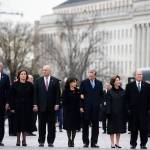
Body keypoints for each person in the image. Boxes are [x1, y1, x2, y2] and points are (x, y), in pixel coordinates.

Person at [33, 65, 61, 147]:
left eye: (46, 70)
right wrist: (35, 104)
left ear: (50, 71)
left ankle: (50, 141)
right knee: (41, 125)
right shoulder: (38, 80)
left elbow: (57, 94)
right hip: (41, 107)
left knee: (51, 125)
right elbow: (35, 94)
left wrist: (57, 104)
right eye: (43, 70)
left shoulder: (55, 81)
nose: (44, 71)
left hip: (52, 107)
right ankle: (41, 141)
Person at [8, 69, 34, 146]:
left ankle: (24, 140)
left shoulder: (30, 85)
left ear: (26, 75)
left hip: (27, 107)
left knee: (25, 123)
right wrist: (11, 107)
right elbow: (11, 97)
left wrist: (34, 105)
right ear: (19, 75)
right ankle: (18, 140)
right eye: (22, 74)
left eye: (24, 74)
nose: (23, 75)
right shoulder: (14, 84)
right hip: (17, 107)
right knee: (18, 123)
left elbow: (33, 97)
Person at [126, 69, 150, 149]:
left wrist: (148, 109)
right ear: (135, 76)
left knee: (144, 129)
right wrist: (128, 109)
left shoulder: (147, 86)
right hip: (133, 112)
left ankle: (143, 144)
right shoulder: (129, 86)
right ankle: (133, 144)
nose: (140, 76)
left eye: (141, 74)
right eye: (138, 74)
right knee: (134, 129)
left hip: (144, 111)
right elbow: (127, 99)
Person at [80, 69, 103, 148]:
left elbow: (101, 95)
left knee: (95, 127)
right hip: (86, 108)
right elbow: (81, 96)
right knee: (85, 126)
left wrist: (99, 104)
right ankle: (86, 142)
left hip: (96, 109)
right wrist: (81, 106)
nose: (90, 74)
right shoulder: (83, 83)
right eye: (89, 72)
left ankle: (94, 142)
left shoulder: (99, 83)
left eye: (91, 73)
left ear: (95, 74)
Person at [106, 75, 127, 148]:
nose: (119, 81)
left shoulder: (123, 91)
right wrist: (108, 112)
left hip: (120, 113)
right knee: (112, 129)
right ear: (113, 82)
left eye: (119, 80)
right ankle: (112, 143)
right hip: (112, 113)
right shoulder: (109, 92)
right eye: (117, 80)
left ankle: (117, 143)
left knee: (119, 129)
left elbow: (125, 103)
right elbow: (108, 102)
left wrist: (125, 112)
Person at [62, 77, 81, 147]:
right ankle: (69, 139)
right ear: (70, 83)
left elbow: (80, 100)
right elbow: (63, 101)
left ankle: (72, 140)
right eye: (74, 82)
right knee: (68, 127)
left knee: (74, 127)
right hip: (68, 111)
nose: (75, 83)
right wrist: (67, 108)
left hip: (76, 112)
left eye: (76, 82)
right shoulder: (65, 91)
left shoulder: (78, 91)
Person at [0, 62, 10, 146]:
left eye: (0, 66)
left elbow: (8, 91)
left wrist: (7, 102)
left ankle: (0, 139)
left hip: (2, 103)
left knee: (1, 121)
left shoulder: (5, 77)